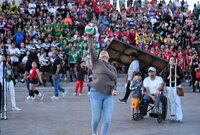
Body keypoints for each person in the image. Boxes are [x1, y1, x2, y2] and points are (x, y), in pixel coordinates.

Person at [87, 35, 117, 135]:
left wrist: (113, 90)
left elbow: (114, 83)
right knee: (96, 118)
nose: (104, 52)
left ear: (109, 56)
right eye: (102, 52)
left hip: (108, 95)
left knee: (107, 119)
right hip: (96, 93)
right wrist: (89, 36)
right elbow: (91, 48)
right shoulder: (96, 63)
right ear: (99, 56)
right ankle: (94, 132)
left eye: (106, 52)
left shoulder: (113, 69)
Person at [162, 56, 183, 122]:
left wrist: (178, 76)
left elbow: (182, 76)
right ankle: (172, 116)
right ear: (169, 61)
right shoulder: (166, 68)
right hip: (169, 87)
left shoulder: (178, 68)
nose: (172, 61)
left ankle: (179, 117)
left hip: (177, 86)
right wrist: (168, 77)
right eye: (171, 60)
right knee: (171, 101)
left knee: (177, 101)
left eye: (173, 60)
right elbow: (164, 78)